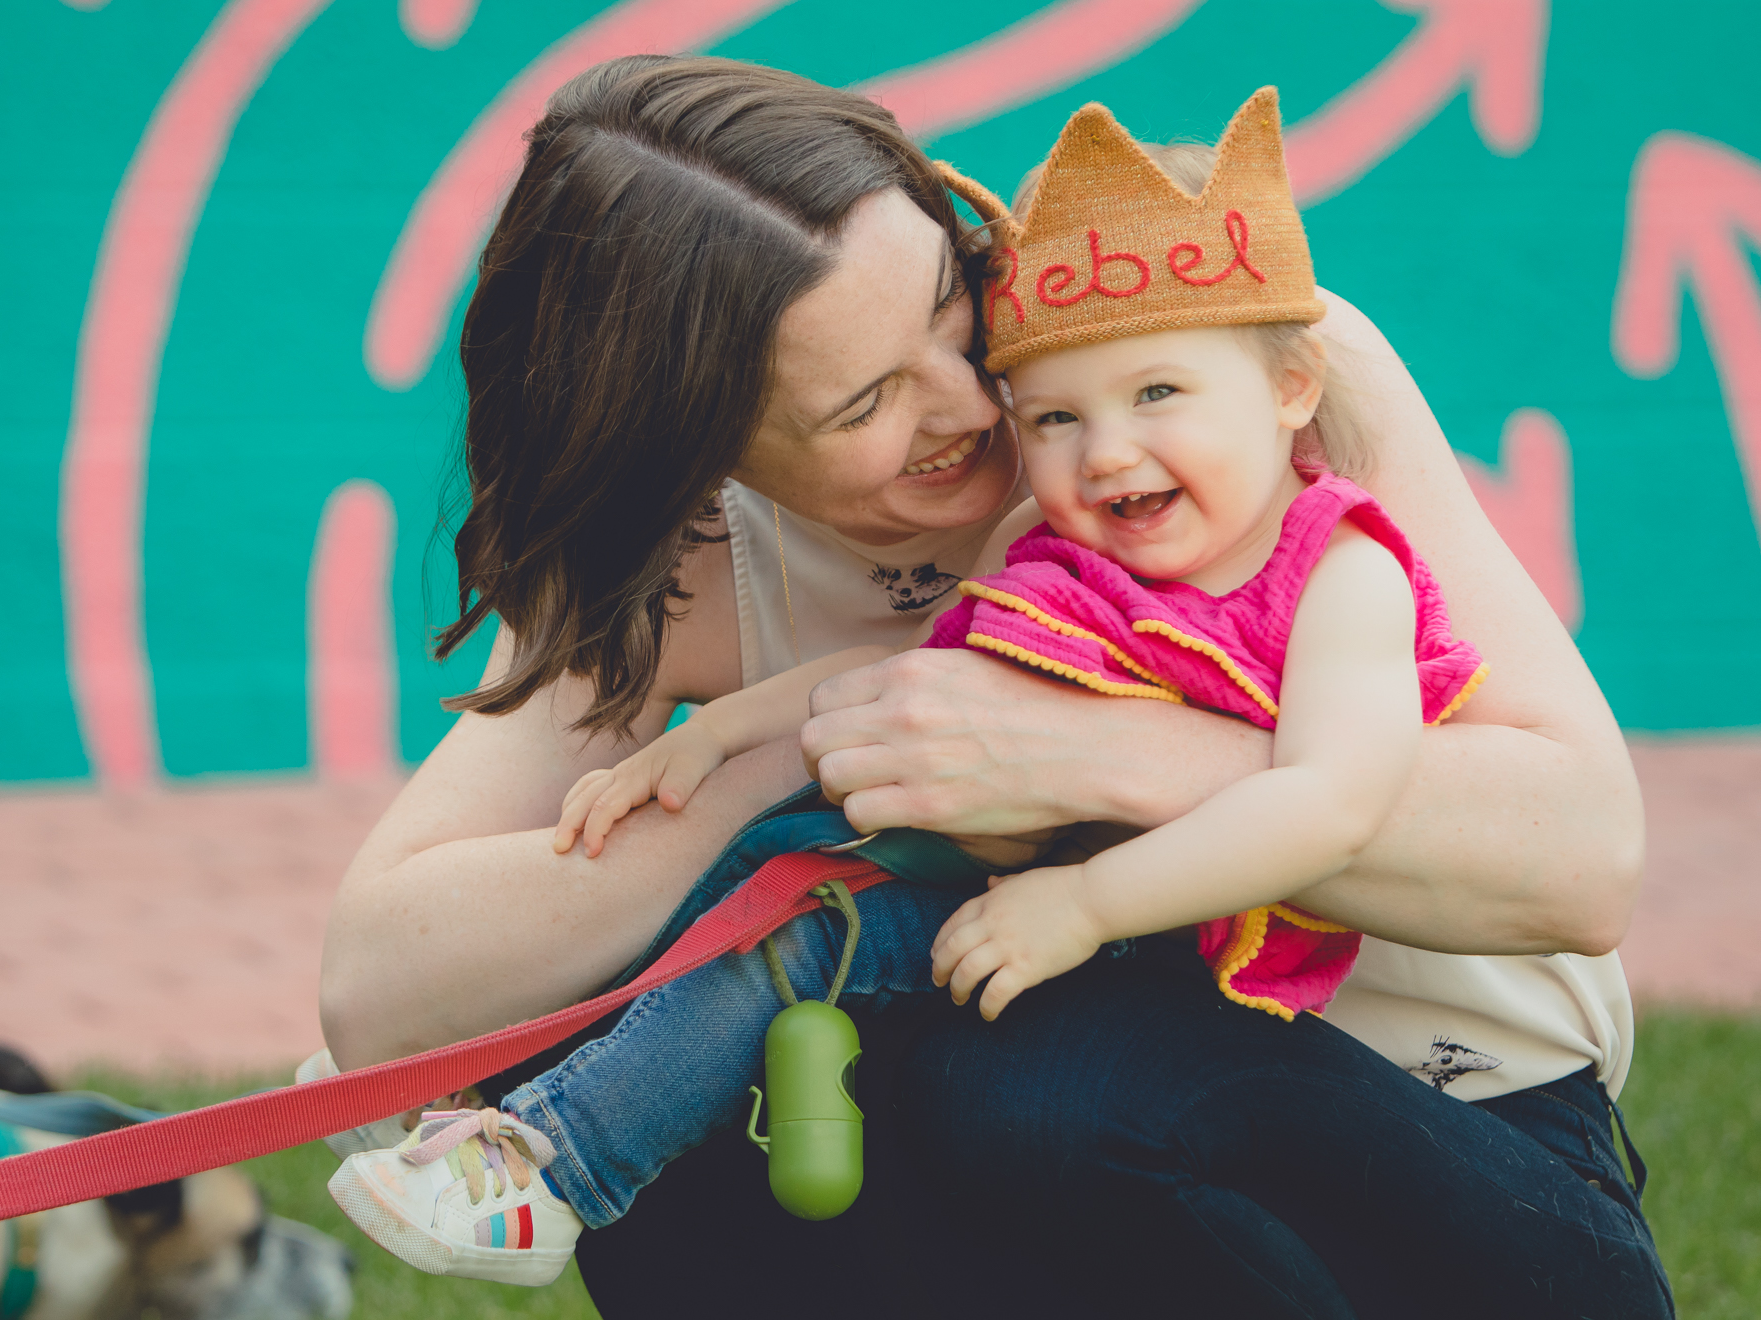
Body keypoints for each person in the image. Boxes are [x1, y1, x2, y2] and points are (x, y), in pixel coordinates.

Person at [312, 54, 1665, 1314]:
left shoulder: (1198, 344)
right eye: (862, 408)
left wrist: (1084, 753)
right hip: (1030, 1133)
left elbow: (1583, 854)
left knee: (1034, 1077)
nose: (974, 408)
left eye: (957, 316)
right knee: (628, 1035)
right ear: (701, 454)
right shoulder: (666, 545)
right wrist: (806, 751)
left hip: (1448, 1155)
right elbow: (390, 990)